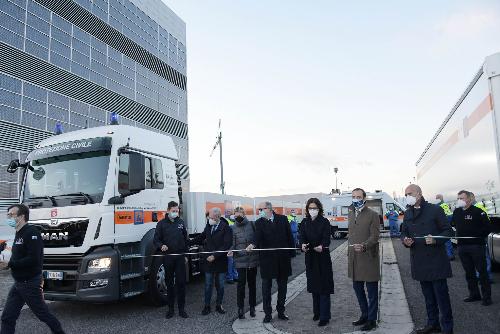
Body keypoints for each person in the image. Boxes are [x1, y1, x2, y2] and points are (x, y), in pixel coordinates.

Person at [0, 204, 65, 334]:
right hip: (19, 283)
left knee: (43, 314)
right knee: (7, 317)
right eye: (8, 215)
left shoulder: (32, 233)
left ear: (22, 216)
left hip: (29, 283)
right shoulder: (18, 233)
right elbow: (19, 256)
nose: (8, 217)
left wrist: (10, 264)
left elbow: (33, 259)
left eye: (11, 214)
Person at [401, 184, 453, 334]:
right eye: (406, 194)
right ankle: (433, 323)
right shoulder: (408, 213)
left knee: (442, 298)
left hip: (436, 261)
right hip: (419, 260)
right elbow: (404, 233)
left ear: (419, 193)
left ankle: (448, 328)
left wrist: (436, 239)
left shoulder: (435, 209)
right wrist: (405, 240)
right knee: (428, 297)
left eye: (409, 193)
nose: (407, 197)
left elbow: (448, 231)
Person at [246, 201, 294, 323]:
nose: (259, 212)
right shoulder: (259, 222)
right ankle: (268, 313)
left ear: (268, 209)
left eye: (261, 209)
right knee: (266, 288)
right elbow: (257, 236)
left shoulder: (283, 219)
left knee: (282, 287)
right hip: (267, 260)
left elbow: (289, 237)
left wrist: (291, 253)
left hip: (282, 259)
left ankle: (281, 311)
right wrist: (252, 244)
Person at [348, 188, 380, 332]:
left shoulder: (373, 215)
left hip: (368, 257)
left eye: (358, 196)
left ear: (365, 198)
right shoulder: (351, 213)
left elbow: (375, 236)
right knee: (357, 288)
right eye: (353, 196)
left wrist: (365, 246)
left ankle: (372, 320)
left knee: (372, 291)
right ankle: (365, 314)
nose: (356, 199)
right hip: (354, 258)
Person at [452, 191, 492, 306]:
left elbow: (488, 228)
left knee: (482, 272)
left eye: (462, 198)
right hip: (462, 247)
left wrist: (477, 235)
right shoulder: (457, 212)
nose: (459, 200)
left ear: (469, 199)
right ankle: (474, 294)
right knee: (469, 272)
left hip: (476, 246)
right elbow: (453, 224)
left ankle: (487, 297)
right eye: (458, 198)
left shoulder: (478, 212)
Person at [299, 198, 334, 327]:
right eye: (310, 208)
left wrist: (322, 245)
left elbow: (327, 238)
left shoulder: (324, 222)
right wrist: (302, 245)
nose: (312, 210)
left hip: (322, 256)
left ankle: (325, 316)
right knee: (314, 286)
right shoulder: (304, 222)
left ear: (319, 209)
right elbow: (301, 236)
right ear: (307, 209)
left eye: (315, 208)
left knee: (324, 287)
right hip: (310, 257)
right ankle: (317, 312)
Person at [191, 207, 233, 315]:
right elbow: (201, 238)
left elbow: (226, 245)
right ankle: (207, 306)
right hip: (209, 261)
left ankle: (219, 305)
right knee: (208, 285)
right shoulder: (208, 226)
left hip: (220, 261)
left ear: (217, 216)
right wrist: (187, 243)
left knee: (220, 285)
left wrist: (215, 255)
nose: (209, 218)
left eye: (210, 216)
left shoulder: (225, 228)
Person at [153, 201, 189, 319]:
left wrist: (185, 255)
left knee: (181, 283)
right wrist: (161, 245)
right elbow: (156, 240)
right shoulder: (161, 224)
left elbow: (185, 239)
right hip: (168, 257)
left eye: (177, 211)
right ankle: (170, 309)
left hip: (179, 256)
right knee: (169, 283)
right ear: (168, 210)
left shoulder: (181, 222)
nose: (175, 213)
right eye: (173, 211)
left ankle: (181, 309)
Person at [228, 207, 259, 319]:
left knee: (252, 285)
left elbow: (257, 239)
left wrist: (254, 246)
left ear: (244, 214)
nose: (237, 217)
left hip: (252, 260)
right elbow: (232, 243)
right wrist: (230, 250)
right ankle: (240, 308)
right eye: (235, 216)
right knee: (240, 286)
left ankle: (252, 307)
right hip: (240, 261)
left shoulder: (252, 225)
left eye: (239, 215)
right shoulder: (232, 228)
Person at [470, 193, 493, 283]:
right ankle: (480, 275)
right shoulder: (471, 208)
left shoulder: (478, 207)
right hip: (474, 236)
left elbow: (486, 223)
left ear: (472, 198)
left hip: (480, 236)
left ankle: (487, 277)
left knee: (484, 256)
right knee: (477, 257)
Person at [436, 194, 454, 261]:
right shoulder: (444, 204)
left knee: (446, 237)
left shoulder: (438, 205)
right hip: (450, 218)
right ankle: (450, 254)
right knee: (447, 236)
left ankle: (449, 255)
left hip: (446, 219)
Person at [226, 215, 239, 284]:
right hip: (232, 245)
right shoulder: (232, 224)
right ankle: (232, 276)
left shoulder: (231, 224)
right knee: (232, 262)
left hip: (232, 245)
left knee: (232, 262)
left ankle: (232, 276)